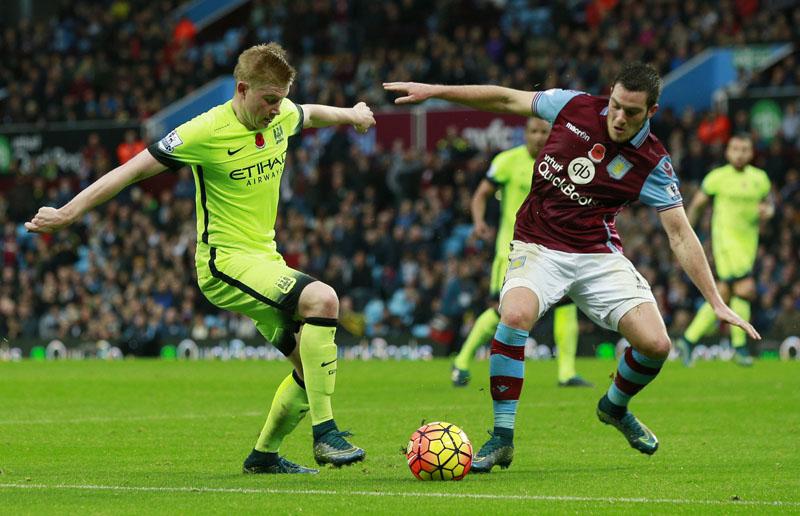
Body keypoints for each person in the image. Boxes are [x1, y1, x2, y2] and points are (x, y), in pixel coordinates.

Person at [384, 62, 759, 472]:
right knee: (513, 316)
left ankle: (614, 407)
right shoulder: (573, 107)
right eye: (615, 105)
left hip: (597, 255)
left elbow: (681, 234)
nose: (618, 117)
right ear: (609, 94)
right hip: (538, 244)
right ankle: (502, 437)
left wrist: (716, 301)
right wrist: (436, 89)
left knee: (656, 346)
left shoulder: (653, 162)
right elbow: (506, 97)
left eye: (631, 112)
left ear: (650, 112)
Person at [26, 43, 376, 475]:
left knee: (310, 368)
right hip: (223, 264)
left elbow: (314, 112)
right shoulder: (204, 131)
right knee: (323, 300)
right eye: (269, 100)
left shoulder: (283, 113)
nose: (276, 109)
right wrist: (67, 212)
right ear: (242, 89)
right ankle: (326, 434)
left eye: (281, 99)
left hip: (266, 261)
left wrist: (355, 114)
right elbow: (132, 169)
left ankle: (263, 458)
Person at [452, 117, 593, 389]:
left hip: (553, 250)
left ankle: (566, 372)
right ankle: (461, 361)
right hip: (513, 250)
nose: (539, 136)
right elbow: (481, 194)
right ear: (525, 134)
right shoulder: (507, 161)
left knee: (566, 306)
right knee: (500, 310)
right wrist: (479, 222)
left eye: (544, 131)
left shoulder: (562, 164)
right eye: (534, 131)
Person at [676, 134, 773, 367]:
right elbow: (698, 204)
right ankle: (740, 347)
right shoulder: (717, 178)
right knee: (745, 288)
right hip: (726, 243)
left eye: (745, 149)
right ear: (727, 152)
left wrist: (768, 212)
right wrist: (684, 235)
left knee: (724, 295)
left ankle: (688, 340)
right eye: (735, 149)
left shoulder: (760, 179)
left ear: (751, 153)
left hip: (748, 244)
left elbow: (767, 206)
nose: (740, 153)